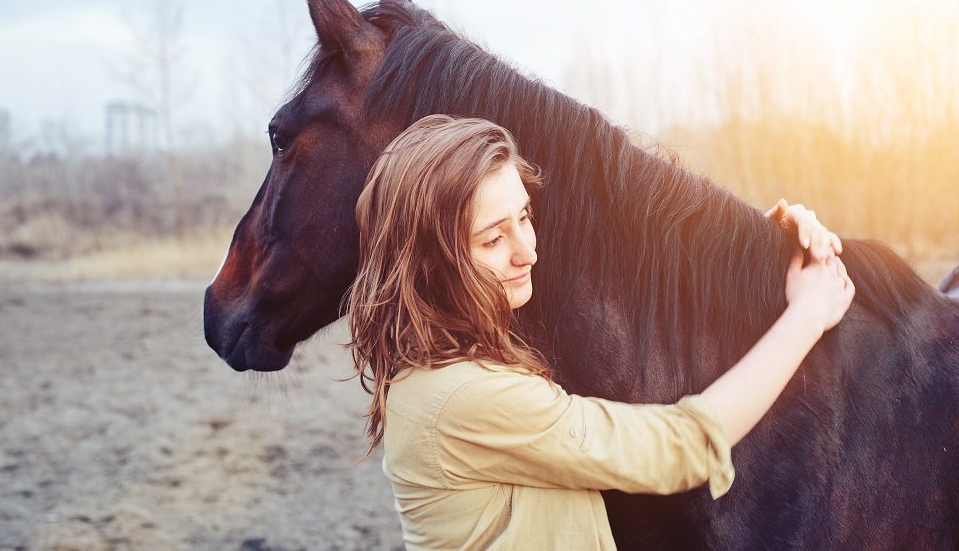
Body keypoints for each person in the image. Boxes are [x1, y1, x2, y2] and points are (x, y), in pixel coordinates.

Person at [347, 114, 854, 550]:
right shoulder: (465, 395)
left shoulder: (449, 357)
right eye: (494, 238)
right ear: (430, 264)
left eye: (524, 216)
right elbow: (678, 449)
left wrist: (756, 258)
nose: (528, 251)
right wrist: (806, 314)